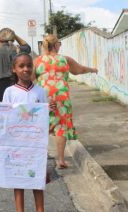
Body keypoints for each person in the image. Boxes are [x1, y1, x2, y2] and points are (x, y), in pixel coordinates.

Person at [3, 53, 56, 212]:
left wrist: (50, 111)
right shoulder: (9, 92)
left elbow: (45, 120)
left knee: (37, 180)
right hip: (17, 145)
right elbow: (5, 117)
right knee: (19, 180)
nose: (25, 69)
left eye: (28, 66)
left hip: (35, 146)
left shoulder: (40, 91)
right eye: (21, 66)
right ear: (14, 69)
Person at [34, 34, 98, 169]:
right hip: (61, 96)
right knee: (61, 127)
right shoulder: (65, 60)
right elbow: (79, 70)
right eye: (59, 44)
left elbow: (31, 78)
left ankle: (39, 157)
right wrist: (92, 70)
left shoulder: (38, 61)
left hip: (43, 96)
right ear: (56, 45)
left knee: (42, 125)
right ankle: (61, 160)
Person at [0, 27, 31, 101]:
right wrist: (14, 35)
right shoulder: (18, 50)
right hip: (18, 86)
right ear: (12, 39)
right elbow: (27, 47)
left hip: (1, 89)